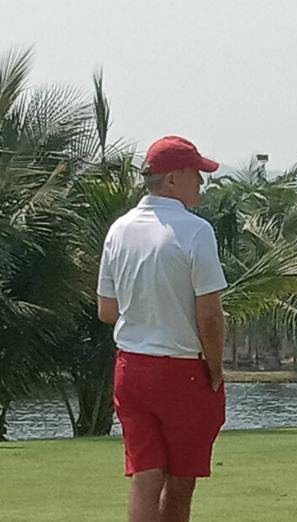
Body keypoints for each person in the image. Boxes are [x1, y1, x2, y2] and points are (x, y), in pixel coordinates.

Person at [97, 136, 228, 522]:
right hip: (183, 370)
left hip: (131, 368)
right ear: (172, 179)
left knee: (145, 474)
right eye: (196, 175)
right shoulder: (196, 230)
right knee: (181, 477)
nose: (201, 183)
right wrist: (216, 369)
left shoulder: (119, 229)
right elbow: (210, 314)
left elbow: (107, 309)